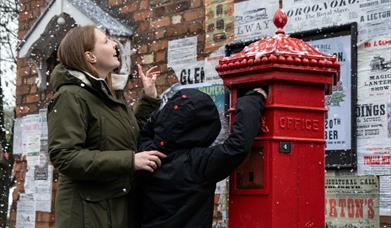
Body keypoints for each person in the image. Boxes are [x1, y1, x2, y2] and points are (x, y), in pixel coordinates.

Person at [48, 25, 166, 228]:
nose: (114, 45)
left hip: (112, 209)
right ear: (90, 57)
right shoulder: (70, 96)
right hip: (86, 215)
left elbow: (128, 135)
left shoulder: (108, 95)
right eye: (105, 41)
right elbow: (64, 156)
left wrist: (148, 99)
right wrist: (130, 161)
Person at [137, 88, 267, 228]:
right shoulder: (197, 163)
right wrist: (252, 100)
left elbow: (148, 128)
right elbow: (237, 147)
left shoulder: (146, 153)